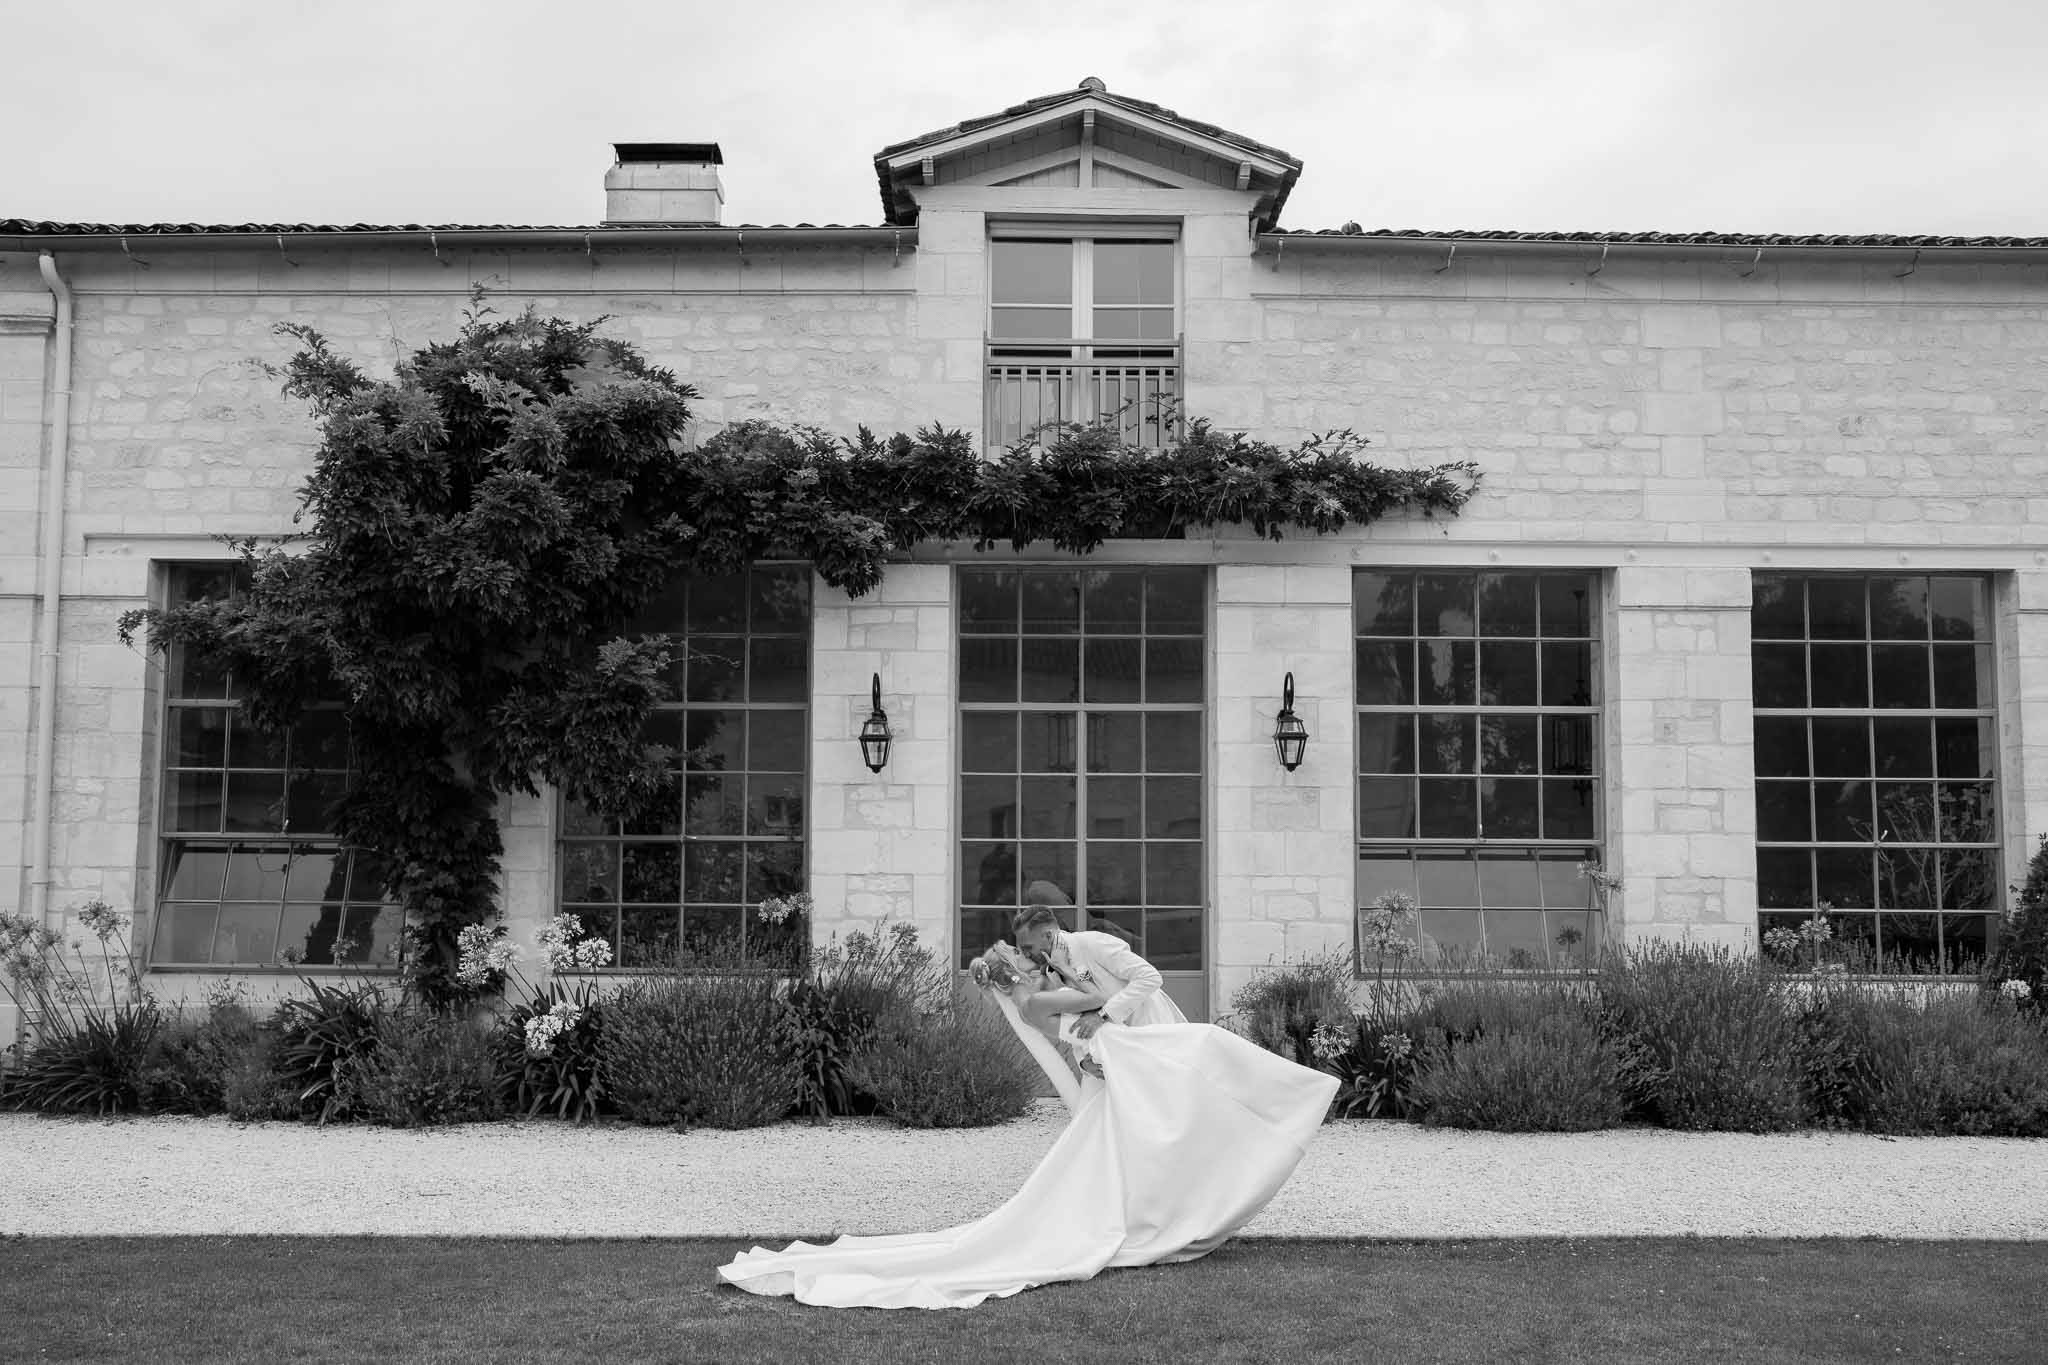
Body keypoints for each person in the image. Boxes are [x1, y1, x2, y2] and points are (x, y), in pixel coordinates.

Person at [715, 907, 1339, 1310]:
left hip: (1149, 1042)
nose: (1031, 958)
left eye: (1030, 947)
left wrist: (1103, 1016)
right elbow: (1056, 1022)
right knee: (1143, 1140)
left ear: (1047, 934)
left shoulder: (1093, 946)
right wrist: (1074, 1022)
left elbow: (1145, 982)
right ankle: (1161, 1215)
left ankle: (1208, 1185)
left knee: (1196, 1104)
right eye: (1021, 957)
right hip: (1119, 1059)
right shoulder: (1044, 985)